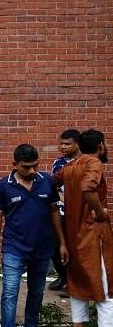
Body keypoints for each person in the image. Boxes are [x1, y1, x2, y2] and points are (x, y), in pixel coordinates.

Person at [0, 144, 68, 327]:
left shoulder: (47, 181)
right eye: (26, 167)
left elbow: (54, 212)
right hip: (14, 247)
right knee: (9, 292)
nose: (32, 170)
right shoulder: (3, 185)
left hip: (42, 247)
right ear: (15, 164)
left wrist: (62, 243)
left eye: (35, 165)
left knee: (36, 293)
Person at [54, 129, 112, 327]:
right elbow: (88, 187)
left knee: (78, 289)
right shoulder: (93, 163)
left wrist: (65, 200)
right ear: (100, 146)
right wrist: (100, 212)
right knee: (105, 293)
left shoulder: (69, 167)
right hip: (93, 237)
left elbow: (52, 182)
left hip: (73, 236)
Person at [48, 129, 81, 296]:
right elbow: (54, 185)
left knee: (75, 248)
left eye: (67, 144)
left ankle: (73, 284)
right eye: (61, 143)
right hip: (59, 211)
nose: (63, 147)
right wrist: (62, 197)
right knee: (56, 246)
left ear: (77, 144)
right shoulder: (59, 163)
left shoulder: (86, 163)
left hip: (78, 213)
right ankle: (63, 276)